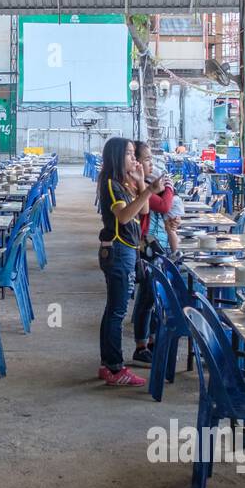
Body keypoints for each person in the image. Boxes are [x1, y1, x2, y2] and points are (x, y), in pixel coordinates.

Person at [97, 136, 165, 388]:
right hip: (118, 252)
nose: (134, 158)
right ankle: (115, 367)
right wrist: (147, 189)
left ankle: (109, 364)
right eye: (128, 154)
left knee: (114, 310)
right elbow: (125, 217)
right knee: (117, 311)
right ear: (116, 156)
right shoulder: (111, 184)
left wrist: (139, 182)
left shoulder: (123, 183)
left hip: (127, 251)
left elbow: (144, 211)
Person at [129, 142, 176, 367]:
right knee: (146, 298)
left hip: (158, 246)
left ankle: (152, 340)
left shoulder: (147, 185)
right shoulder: (141, 187)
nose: (151, 163)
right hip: (147, 248)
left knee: (155, 298)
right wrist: (169, 186)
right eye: (146, 159)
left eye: (151, 159)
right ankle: (141, 345)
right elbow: (165, 205)